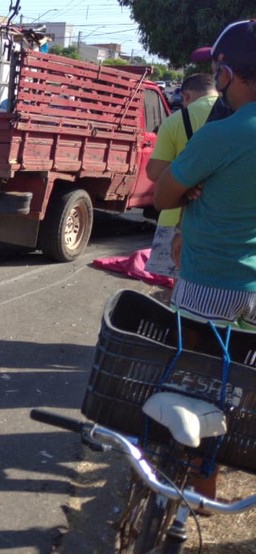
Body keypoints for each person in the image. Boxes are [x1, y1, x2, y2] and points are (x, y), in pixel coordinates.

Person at [153, 19, 256, 502]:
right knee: (244, 386)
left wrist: (193, 185)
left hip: (209, 282)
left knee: (198, 385)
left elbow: (163, 194)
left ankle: (202, 488)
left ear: (228, 73)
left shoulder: (222, 135)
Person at [143, 74, 219, 278]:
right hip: (224, 220)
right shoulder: (236, 115)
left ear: (185, 96)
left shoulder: (176, 120)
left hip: (175, 218)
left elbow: (154, 172)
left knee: (178, 290)